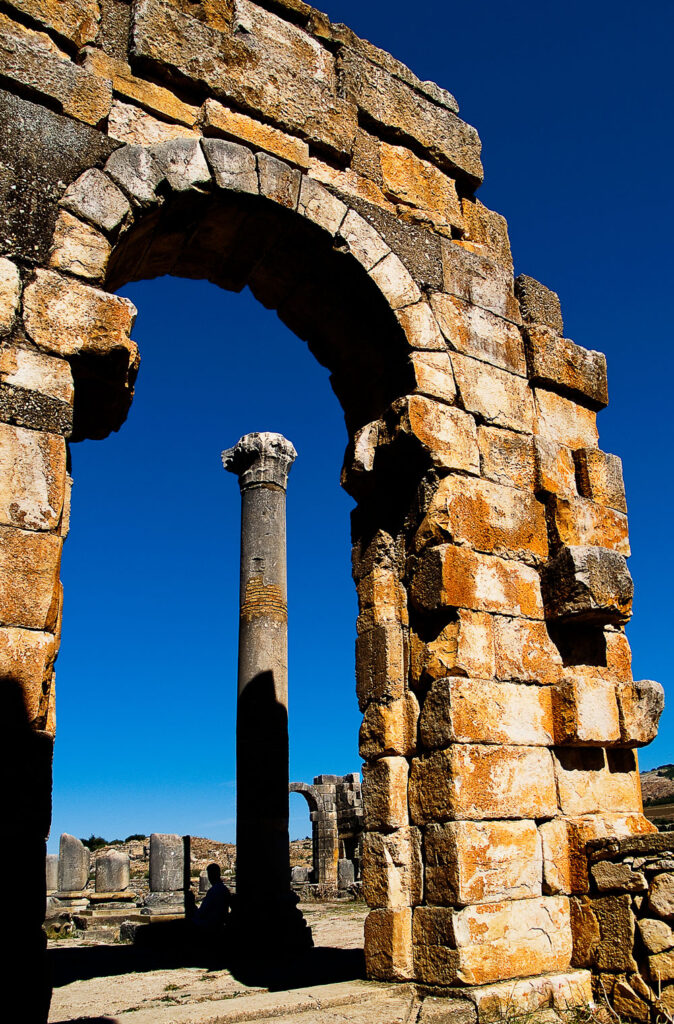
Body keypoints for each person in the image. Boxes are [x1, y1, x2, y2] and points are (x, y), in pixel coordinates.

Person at [193, 863, 231, 931]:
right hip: (218, 923)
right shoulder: (224, 889)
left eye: (210, 875)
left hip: (210, 925)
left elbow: (203, 912)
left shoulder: (214, 891)